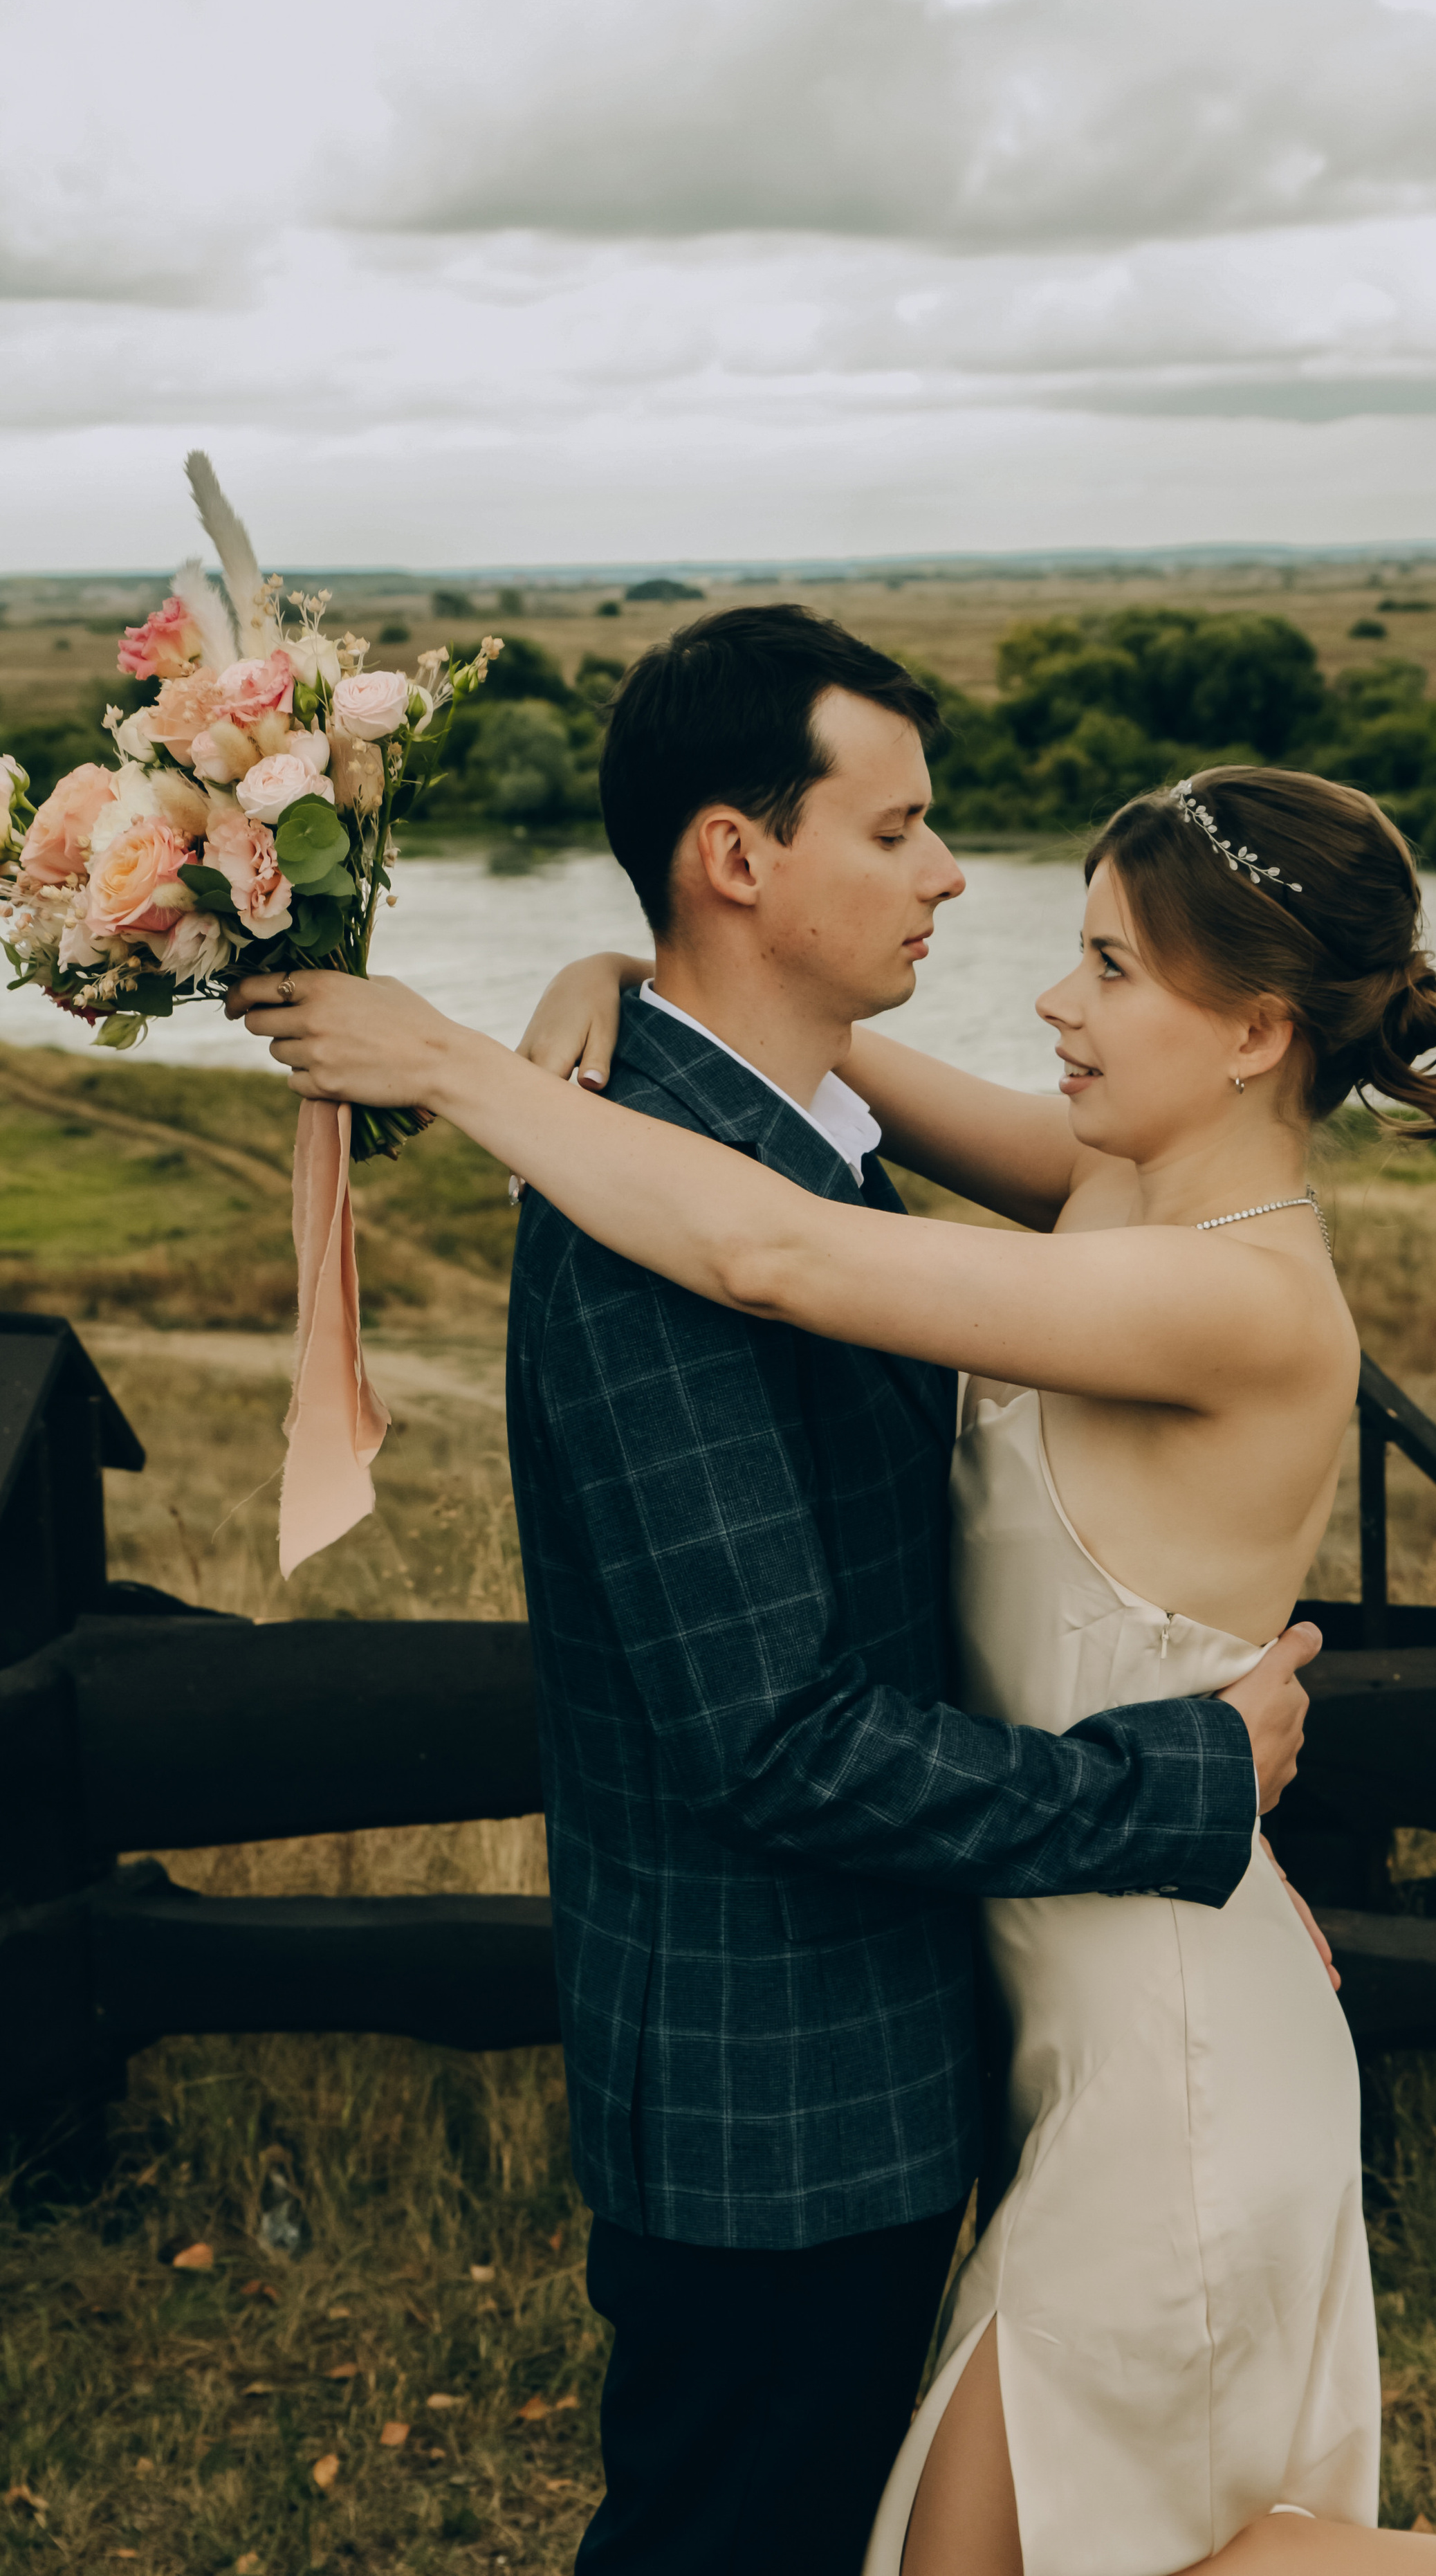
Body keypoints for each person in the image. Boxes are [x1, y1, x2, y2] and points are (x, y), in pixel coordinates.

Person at [233, 604, 1320, 2576]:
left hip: (930, 2060)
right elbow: (774, 1738)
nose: (949, 873)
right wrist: (1191, 1795)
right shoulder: (646, 1211)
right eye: (897, 829)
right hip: (779, 2103)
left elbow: (790, 1238)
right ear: (739, 857)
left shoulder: (798, 1146)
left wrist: (563, 1017)